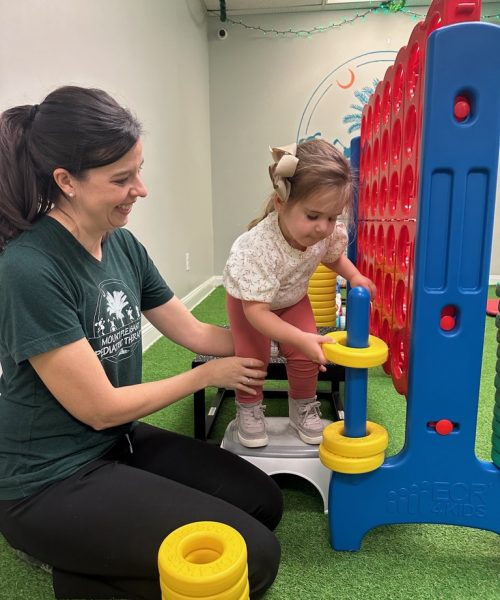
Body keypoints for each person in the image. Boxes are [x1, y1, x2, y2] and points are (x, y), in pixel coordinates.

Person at [0, 86, 283, 600]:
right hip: (47, 481)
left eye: (139, 170)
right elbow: (101, 408)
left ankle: (88, 558)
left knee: (264, 503)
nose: (141, 189)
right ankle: (68, 556)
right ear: (66, 181)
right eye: (122, 179)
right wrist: (203, 376)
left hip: (115, 445)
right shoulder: (29, 268)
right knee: (253, 559)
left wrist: (281, 337)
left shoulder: (122, 243)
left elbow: (194, 331)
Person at [223, 140, 376, 448]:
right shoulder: (259, 248)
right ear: (281, 203)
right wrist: (296, 336)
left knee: (307, 355)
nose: (323, 227)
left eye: (332, 217)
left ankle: (303, 407)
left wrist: (355, 275)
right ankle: (249, 408)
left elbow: (332, 256)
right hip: (250, 304)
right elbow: (257, 314)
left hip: (292, 299)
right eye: (313, 216)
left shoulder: (324, 232)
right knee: (253, 358)